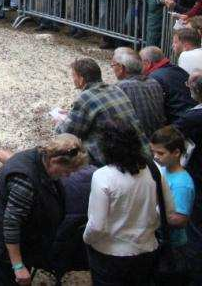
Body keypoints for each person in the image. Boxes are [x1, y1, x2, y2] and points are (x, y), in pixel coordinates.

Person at [0, 134, 87, 285]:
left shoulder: (38, 157)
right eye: (67, 170)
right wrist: (18, 266)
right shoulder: (25, 181)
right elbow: (11, 225)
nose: (67, 175)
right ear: (54, 160)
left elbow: (14, 160)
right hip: (7, 248)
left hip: (25, 243)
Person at [83, 119, 174, 285]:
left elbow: (96, 225)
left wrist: (86, 239)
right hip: (147, 249)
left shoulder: (103, 176)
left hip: (110, 254)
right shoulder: (153, 169)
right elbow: (168, 209)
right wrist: (149, 224)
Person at [55, 57, 145, 165]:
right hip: (139, 152)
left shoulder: (86, 97)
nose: (73, 79)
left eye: (73, 75)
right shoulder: (116, 89)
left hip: (113, 160)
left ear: (81, 79)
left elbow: (67, 132)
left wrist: (59, 122)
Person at [149, 125, 195, 284]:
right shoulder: (163, 170)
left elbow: (180, 219)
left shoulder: (182, 183)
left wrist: (153, 212)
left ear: (176, 153)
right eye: (153, 152)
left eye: (160, 153)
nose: (155, 156)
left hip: (174, 248)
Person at [141, 45, 195, 123]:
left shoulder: (153, 78)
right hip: (190, 116)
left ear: (147, 63)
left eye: (140, 63)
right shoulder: (177, 69)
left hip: (178, 123)